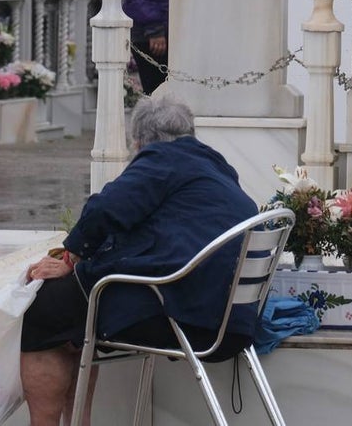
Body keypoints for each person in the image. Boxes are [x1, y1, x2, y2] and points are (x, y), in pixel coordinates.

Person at [19, 95, 257, 425]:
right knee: (75, 318)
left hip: (185, 316)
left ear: (140, 142)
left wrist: (71, 258)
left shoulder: (163, 158)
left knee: (44, 306)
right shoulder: (214, 165)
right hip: (232, 319)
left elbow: (106, 208)